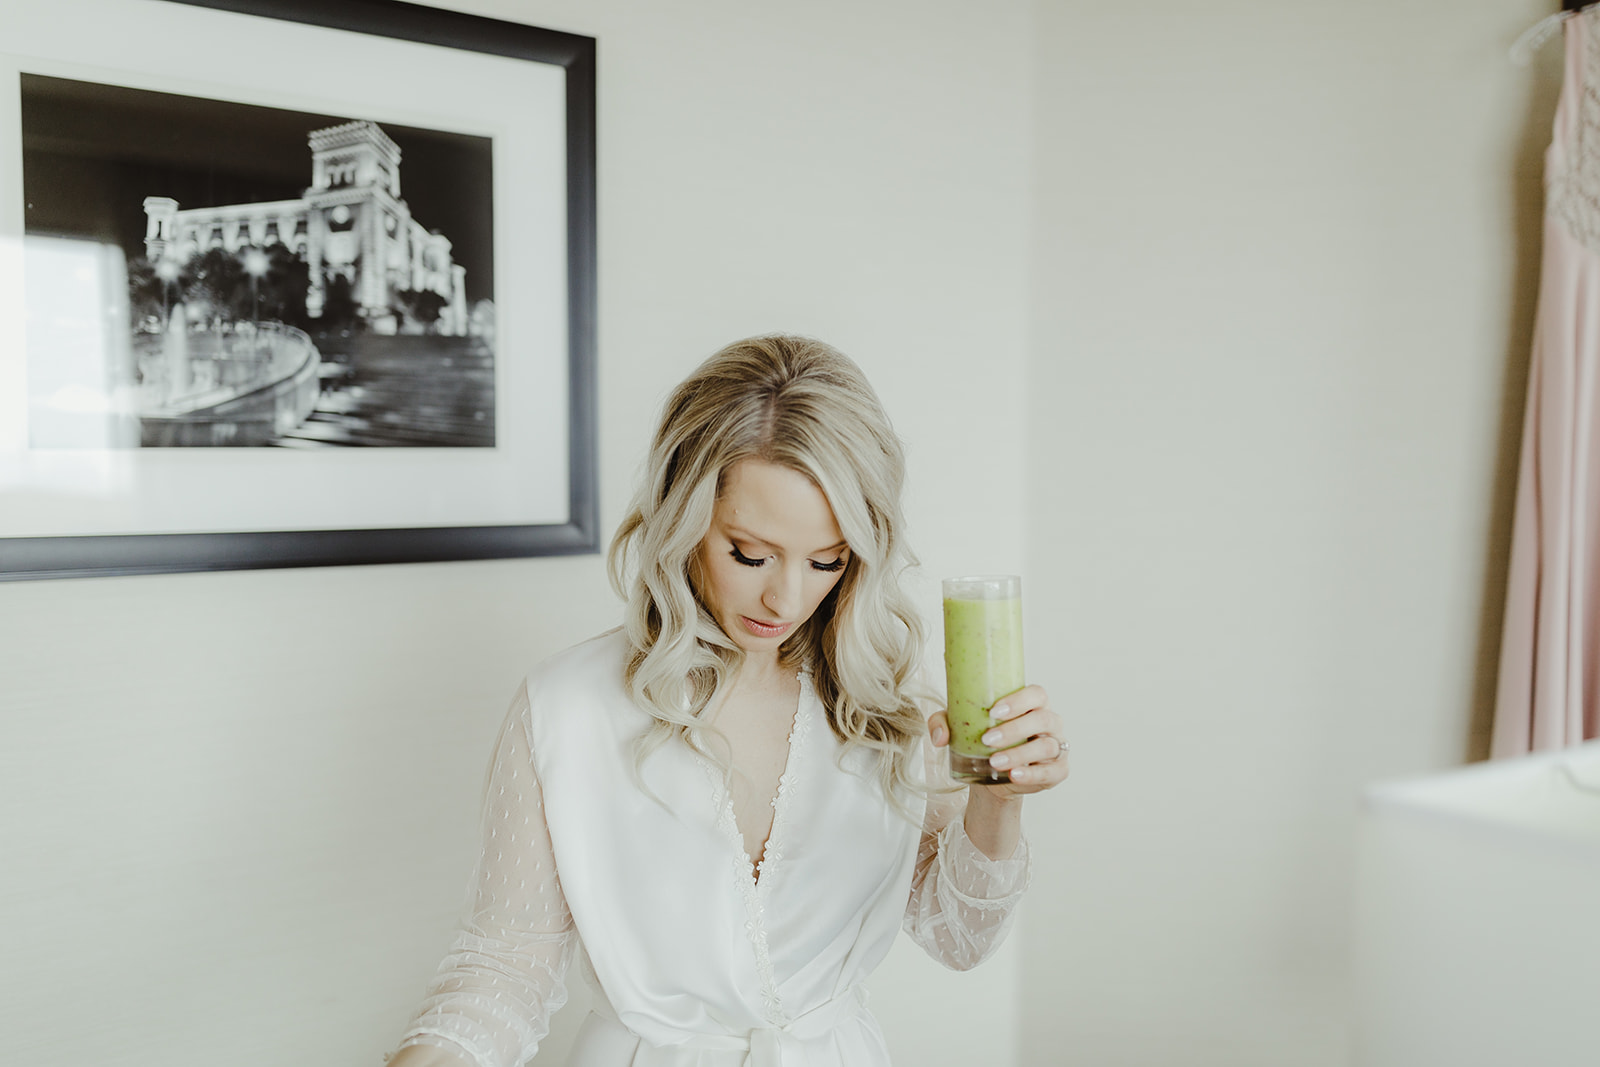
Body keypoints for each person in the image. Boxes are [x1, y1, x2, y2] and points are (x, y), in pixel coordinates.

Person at [388, 335, 1068, 1067]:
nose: (786, 597)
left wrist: (999, 799)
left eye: (826, 561)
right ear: (683, 517)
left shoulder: (881, 706)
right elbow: (503, 970)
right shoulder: (566, 711)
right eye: (750, 552)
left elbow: (957, 936)